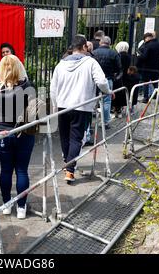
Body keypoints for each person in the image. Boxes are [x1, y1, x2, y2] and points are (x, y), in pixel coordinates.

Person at [50, 36, 113, 182]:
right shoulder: (90, 62)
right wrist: (107, 91)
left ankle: (68, 163)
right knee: (76, 138)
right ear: (85, 47)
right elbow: (102, 81)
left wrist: (55, 105)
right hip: (82, 106)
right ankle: (70, 169)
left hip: (63, 105)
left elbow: (53, 88)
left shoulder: (60, 65)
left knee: (65, 137)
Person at [0, 54, 36, 219]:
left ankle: (7, 205)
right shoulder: (28, 87)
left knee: (6, 170)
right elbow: (33, 113)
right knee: (22, 170)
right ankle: (22, 208)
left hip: (2, 134)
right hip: (23, 133)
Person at [91, 36, 122, 129]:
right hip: (108, 79)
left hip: (94, 80)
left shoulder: (94, 53)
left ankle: (90, 121)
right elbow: (119, 68)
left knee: (92, 99)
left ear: (100, 42)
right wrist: (115, 78)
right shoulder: (114, 53)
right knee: (106, 101)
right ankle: (105, 122)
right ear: (110, 43)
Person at [137, 32, 159, 104]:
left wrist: (139, 55)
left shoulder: (147, 45)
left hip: (147, 67)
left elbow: (144, 56)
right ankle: (158, 98)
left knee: (146, 83)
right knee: (155, 84)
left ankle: (145, 98)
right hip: (156, 67)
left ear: (147, 38)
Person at [113, 41, 131, 117]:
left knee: (117, 93)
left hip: (118, 76)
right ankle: (119, 109)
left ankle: (116, 110)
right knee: (123, 93)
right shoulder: (128, 56)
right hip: (125, 76)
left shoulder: (118, 55)